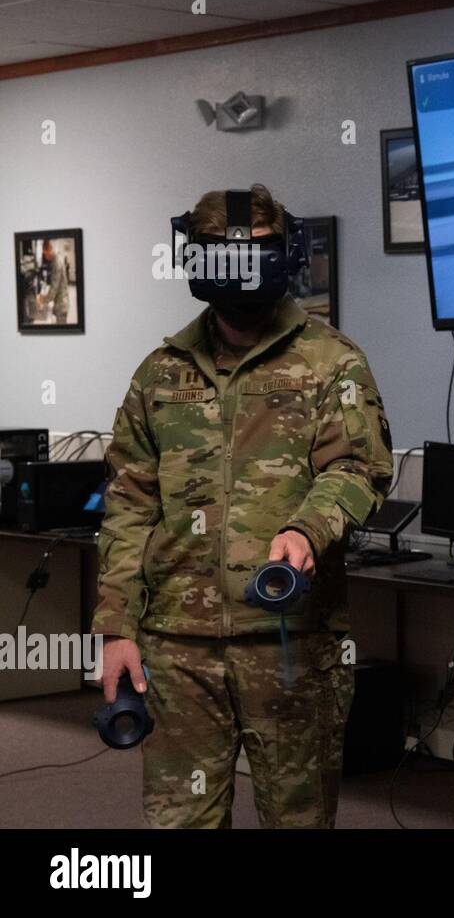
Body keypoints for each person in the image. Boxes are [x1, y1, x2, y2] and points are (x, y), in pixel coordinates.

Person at [93, 184, 393, 828]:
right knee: (181, 822)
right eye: (222, 258)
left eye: (254, 256)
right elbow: (128, 507)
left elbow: (359, 468)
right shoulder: (160, 373)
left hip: (288, 646)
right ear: (196, 263)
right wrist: (117, 629)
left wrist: (307, 530)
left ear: (283, 259)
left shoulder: (330, 362)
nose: (239, 273)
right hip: (177, 650)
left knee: (297, 819)